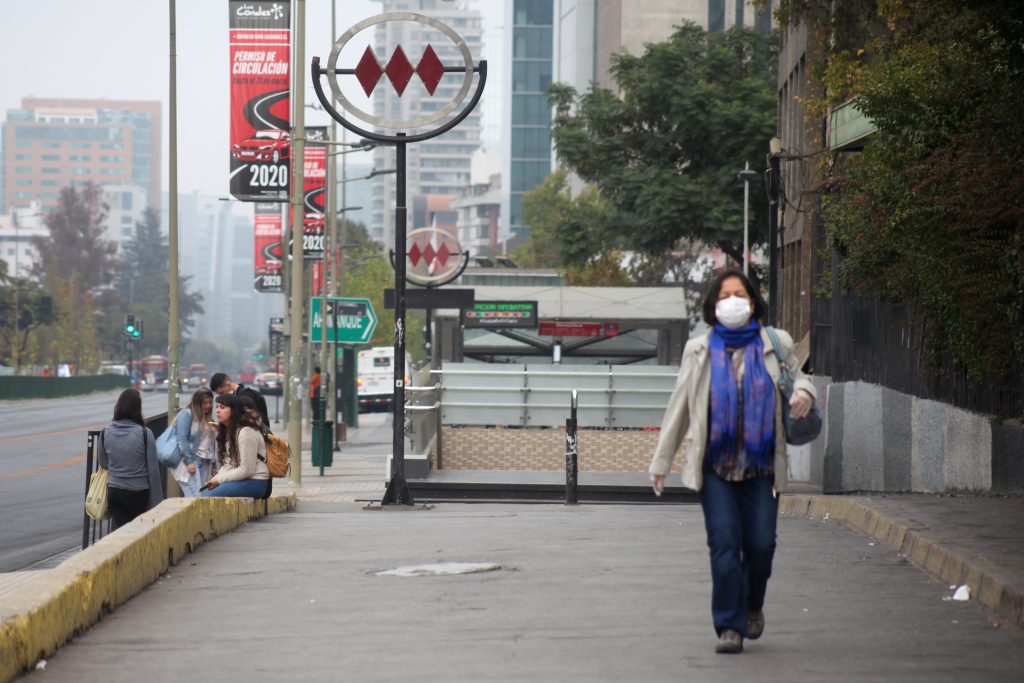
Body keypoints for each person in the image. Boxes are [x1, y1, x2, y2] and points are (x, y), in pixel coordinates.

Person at [649, 269, 817, 654]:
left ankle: (752, 602)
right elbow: (680, 409)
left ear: (753, 301)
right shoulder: (699, 350)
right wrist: (662, 462)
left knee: (761, 546)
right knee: (724, 544)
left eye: (739, 294)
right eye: (724, 295)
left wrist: (804, 393)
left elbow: (800, 378)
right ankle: (729, 625)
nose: (732, 301)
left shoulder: (775, 344)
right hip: (716, 467)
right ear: (713, 304)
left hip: (761, 467)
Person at [97, 389, 164, 527]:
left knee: (122, 532)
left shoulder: (106, 432)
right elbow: (153, 471)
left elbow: (103, 463)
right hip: (138, 493)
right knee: (137, 533)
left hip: (114, 491)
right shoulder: (145, 433)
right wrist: (158, 503)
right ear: (138, 409)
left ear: (118, 407)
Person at [201, 393, 271, 499]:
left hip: (255, 481)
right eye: (217, 407)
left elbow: (247, 469)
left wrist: (219, 480)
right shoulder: (230, 430)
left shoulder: (246, 432)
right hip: (243, 480)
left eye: (222, 407)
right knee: (204, 496)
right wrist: (215, 479)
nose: (218, 410)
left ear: (233, 410)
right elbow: (229, 463)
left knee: (207, 499)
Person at [171, 387, 217, 497]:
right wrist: (189, 462)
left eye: (210, 402)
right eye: (204, 403)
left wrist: (214, 465)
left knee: (203, 496)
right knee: (195, 498)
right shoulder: (186, 415)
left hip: (205, 460)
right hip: (191, 460)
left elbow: (211, 443)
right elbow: (182, 439)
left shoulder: (208, 418)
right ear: (197, 402)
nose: (208, 406)